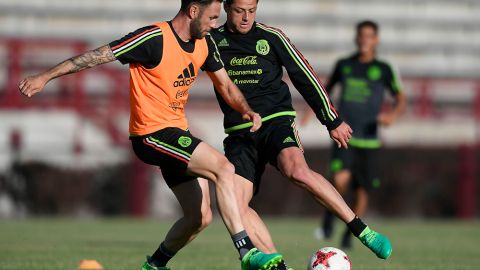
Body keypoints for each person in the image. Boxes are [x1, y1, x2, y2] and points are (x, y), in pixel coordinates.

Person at [18, 1, 286, 269]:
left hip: (176, 134)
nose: (216, 24)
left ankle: (154, 265)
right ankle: (247, 253)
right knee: (224, 169)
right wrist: (45, 77)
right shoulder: (153, 38)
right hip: (151, 135)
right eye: (212, 17)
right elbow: (95, 56)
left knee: (199, 217)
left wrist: (247, 111)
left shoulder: (205, 43)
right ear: (193, 11)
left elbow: (226, 85)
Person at [209, 0, 393, 267]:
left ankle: (361, 229)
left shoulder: (272, 37)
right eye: (239, 11)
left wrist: (332, 120)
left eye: (252, 10)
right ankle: (278, 265)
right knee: (235, 206)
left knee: (296, 169)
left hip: (276, 122)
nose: (246, 17)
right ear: (226, 8)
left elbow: (305, 76)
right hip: (240, 133)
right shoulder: (211, 41)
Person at [303, 20, 406, 249]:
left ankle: (351, 234)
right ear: (356, 38)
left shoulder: (384, 69)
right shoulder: (344, 65)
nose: (364, 40)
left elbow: (400, 97)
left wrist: (392, 116)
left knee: (362, 190)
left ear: (376, 40)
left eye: (370, 36)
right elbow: (325, 91)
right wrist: (310, 113)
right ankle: (330, 218)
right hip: (345, 134)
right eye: (361, 35)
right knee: (340, 179)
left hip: (369, 140)